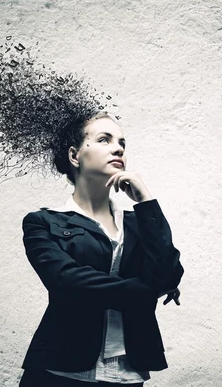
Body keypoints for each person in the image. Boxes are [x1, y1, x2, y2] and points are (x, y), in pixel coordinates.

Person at [19, 111, 184, 386]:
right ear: (75, 156)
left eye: (121, 143)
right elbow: (67, 282)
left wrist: (146, 200)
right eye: (104, 140)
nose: (118, 148)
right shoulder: (43, 222)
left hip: (127, 373)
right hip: (59, 371)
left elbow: (168, 274)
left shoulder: (139, 223)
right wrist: (145, 291)